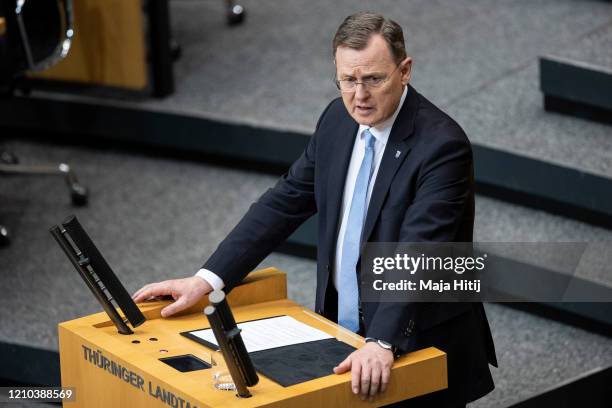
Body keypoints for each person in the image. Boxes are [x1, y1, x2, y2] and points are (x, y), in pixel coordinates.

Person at [133, 12, 497, 407]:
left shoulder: (441, 147)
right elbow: (284, 201)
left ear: (404, 70)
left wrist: (382, 341)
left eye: (373, 79)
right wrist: (207, 280)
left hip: (414, 337)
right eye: (347, 80)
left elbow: (419, 252)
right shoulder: (336, 121)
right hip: (342, 328)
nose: (359, 95)